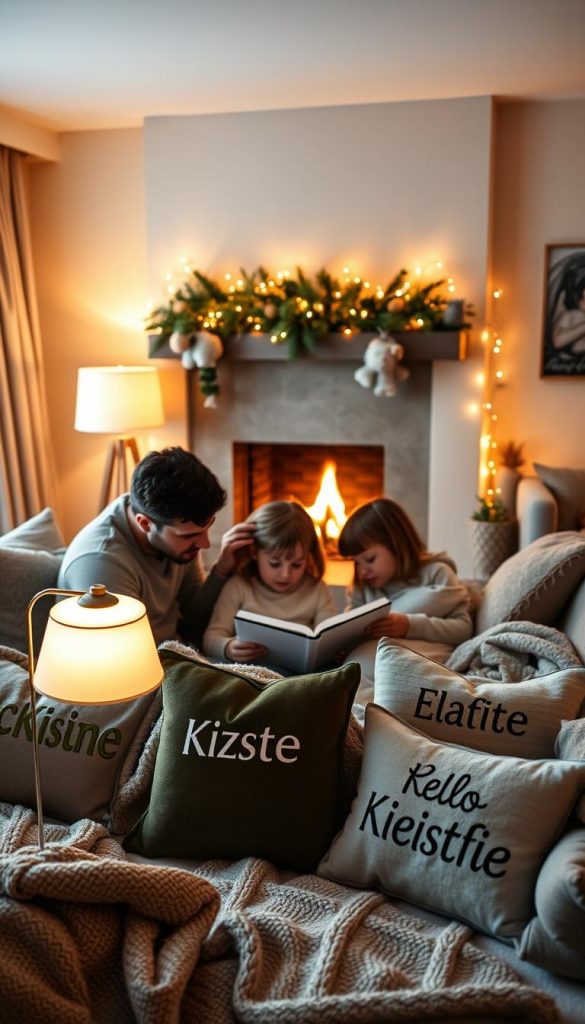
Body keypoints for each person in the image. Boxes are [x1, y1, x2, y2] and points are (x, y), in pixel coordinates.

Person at [58, 447, 255, 646]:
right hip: (136, 663)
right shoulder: (102, 563)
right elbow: (121, 654)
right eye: (190, 535)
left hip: (172, 651)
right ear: (145, 524)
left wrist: (222, 569)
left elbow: (193, 614)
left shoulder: (168, 523)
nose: (205, 543)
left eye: (207, 528)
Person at [337, 496, 473, 702]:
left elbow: (463, 629)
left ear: (396, 545)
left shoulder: (437, 574)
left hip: (415, 659)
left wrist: (409, 625)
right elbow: (348, 625)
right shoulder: (362, 586)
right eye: (355, 562)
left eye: (370, 559)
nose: (362, 571)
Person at [202, 500, 338, 664]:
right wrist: (228, 647)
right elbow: (211, 638)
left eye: (296, 564)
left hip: (299, 676)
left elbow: (330, 639)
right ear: (254, 553)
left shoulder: (317, 589)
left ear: (308, 557)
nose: (285, 574)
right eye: (274, 564)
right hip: (250, 672)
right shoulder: (239, 586)